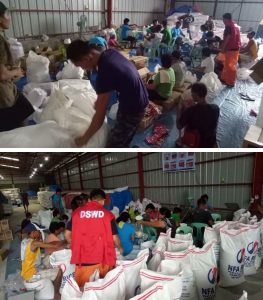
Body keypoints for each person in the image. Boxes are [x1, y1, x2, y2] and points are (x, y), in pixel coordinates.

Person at [67, 40, 149, 147]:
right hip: (138, 98)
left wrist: (84, 139)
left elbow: (100, 117)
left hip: (134, 108)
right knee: (122, 134)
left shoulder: (105, 71)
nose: (82, 69)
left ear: (86, 59)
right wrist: (100, 102)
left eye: (80, 66)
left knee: (114, 145)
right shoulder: (110, 53)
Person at [70, 188, 123, 288]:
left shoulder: (76, 213)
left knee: (83, 290)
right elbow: (114, 237)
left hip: (83, 260)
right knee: (102, 289)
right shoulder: (108, 215)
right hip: (103, 259)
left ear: (89, 200)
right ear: (103, 200)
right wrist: (120, 247)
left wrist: (75, 246)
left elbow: (67, 234)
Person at [0, 2, 38, 132]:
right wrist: (16, 71)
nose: (9, 17)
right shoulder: (0, 41)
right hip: (3, 95)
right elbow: (2, 75)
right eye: (6, 14)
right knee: (16, 131)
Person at [21, 223, 64, 297]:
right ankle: (56, 294)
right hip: (32, 275)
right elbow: (54, 246)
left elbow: (44, 243)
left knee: (47, 265)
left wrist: (38, 237)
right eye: (39, 231)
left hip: (26, 273)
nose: (41, 233)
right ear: (33, 232)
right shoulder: (35, 243)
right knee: (59, 272)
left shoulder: (26, 241)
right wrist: (66, 242)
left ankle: (50, 286)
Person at [177, 83, 220, 148]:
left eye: (192, 94)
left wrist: (179, 110)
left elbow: (179, 126)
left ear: (194, 95)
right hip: (210, 142)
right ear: (205, 94)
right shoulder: (215, 108)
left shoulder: (190, 111)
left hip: (196, 144)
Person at [221, 13, 241, 88]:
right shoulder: (235, 26)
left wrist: (223, 48)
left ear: (226, 19)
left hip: (231, 49)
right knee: (227, 64)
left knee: (230, 66)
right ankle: (225, 79)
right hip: (235, 48)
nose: (223, 21)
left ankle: (230, 82)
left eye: (223, 19)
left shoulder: (229, 26)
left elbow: (228, 37)